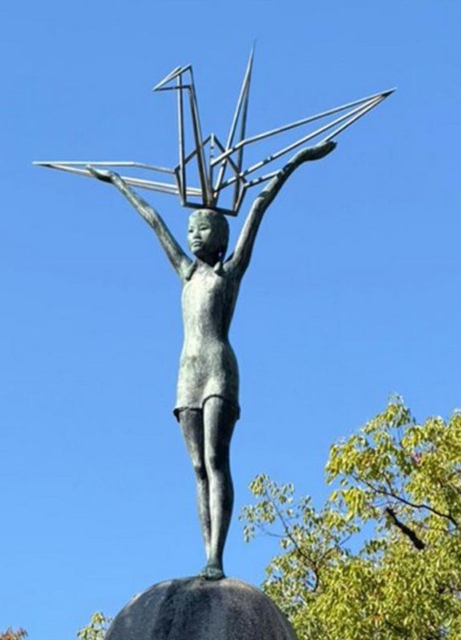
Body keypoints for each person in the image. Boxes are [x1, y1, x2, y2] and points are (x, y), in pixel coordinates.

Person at [88, 139, 335, 580]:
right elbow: (153, 222)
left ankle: (215, 557)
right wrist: (119, 184)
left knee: (218, 460)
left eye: (203, 228)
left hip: (219, 370)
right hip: (187, 375)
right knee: (197, 467)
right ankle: (206, 551)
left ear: (219, 236)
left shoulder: (231, 271)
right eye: (191, 230)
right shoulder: (186, 272)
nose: (193, 234)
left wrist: (296, 162)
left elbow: (259, 206)